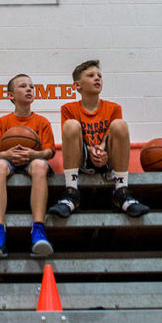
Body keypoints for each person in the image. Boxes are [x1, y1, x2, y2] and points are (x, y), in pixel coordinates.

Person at [48, 59, 150, 218]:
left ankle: (121, 191)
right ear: (77, 86)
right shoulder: (68, 109)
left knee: (120, 125)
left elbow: (111, 135)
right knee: (71, 125)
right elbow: (74, 138)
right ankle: (71, 192)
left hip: (109, 160)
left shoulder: (113, 108)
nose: (97, 78)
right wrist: (92, 150)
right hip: (83, 159)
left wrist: (102, 149)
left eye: (99, 76)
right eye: (90, 75)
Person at [0, 74, 56, 258]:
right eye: (23, 86)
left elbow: (49, 152)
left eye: (31, 86)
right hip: (8, 160)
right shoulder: (1, 122)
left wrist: (33, 154)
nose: (30, 89)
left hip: (33, 159)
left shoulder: (42, 122)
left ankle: (38, 230)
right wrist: (7, 154)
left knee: (40, 165)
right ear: (11, 95)